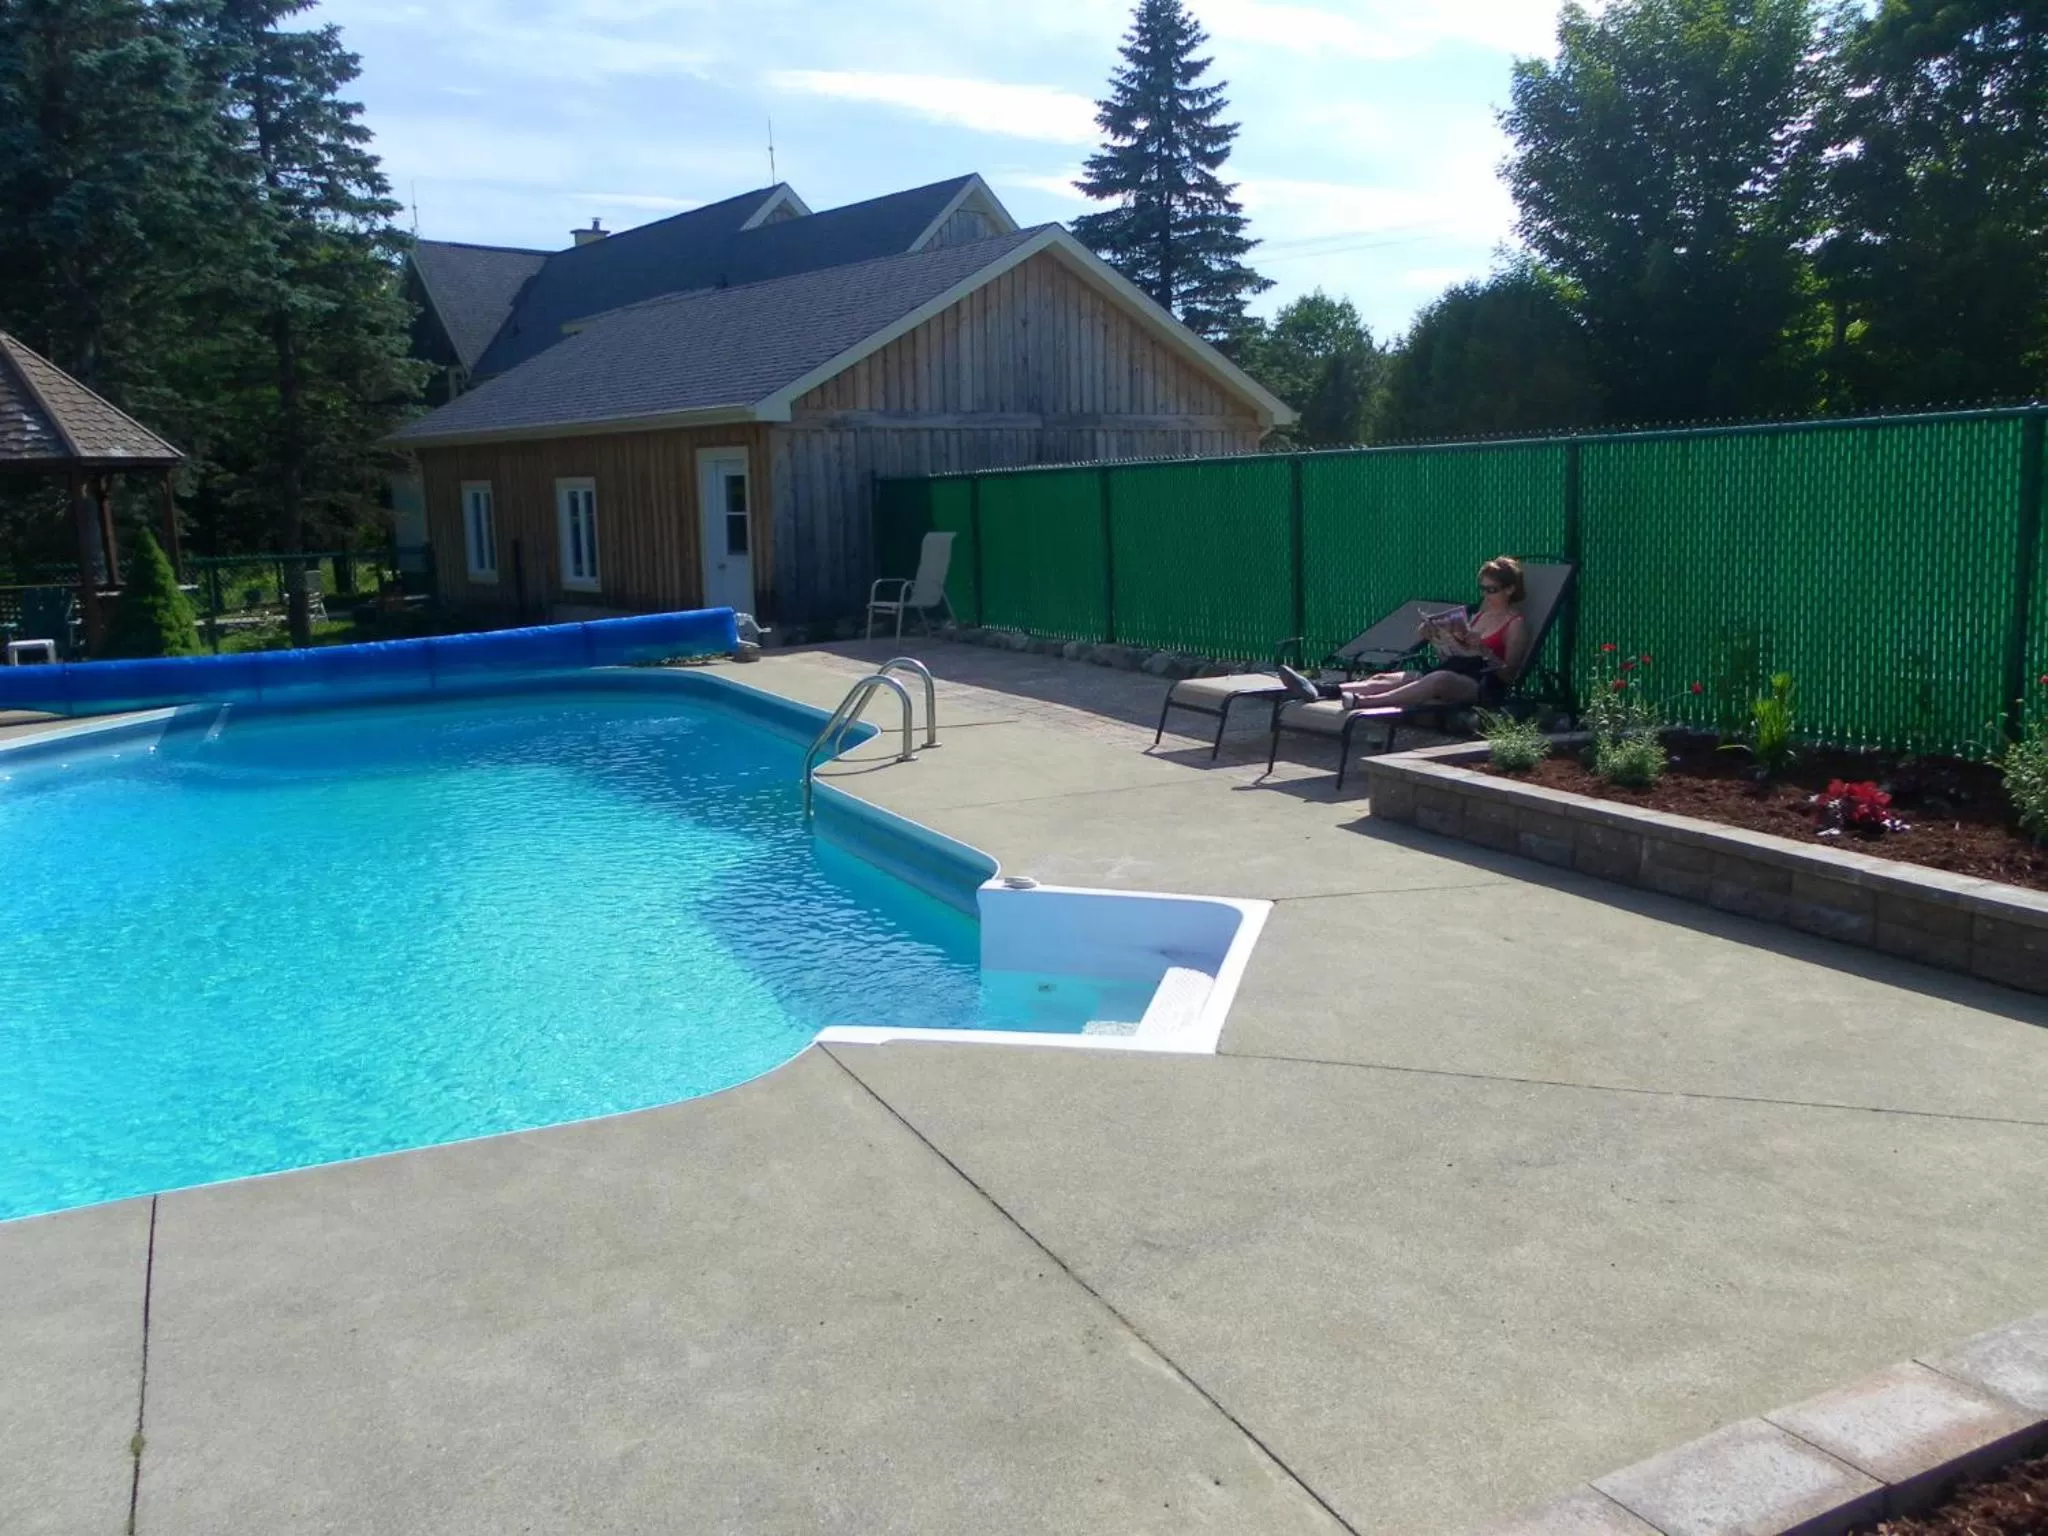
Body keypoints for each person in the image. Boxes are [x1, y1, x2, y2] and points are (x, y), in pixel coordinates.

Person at [1279, 556, 1533, 711]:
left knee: (1438, 679)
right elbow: (1451, 659)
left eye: (1493, 589)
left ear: (1510, 589)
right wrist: (1435, 637)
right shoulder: (1476, 616)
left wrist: (1485, 651)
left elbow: (1510, 675)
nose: (1486, 594)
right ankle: (1320, 690)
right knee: (1385, 679)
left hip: (1484, 685)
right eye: (1483, 588)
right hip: (1457, 671)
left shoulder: (1516, 624)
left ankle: (1362, 703)